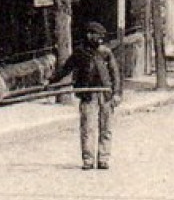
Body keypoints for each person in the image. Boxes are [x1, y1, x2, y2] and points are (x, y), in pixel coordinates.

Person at [52, 21, 123, 170]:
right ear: (89, 35)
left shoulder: (105, 52)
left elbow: (115, 74)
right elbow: (66, 69)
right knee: (88, 128)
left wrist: (117, 93)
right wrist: (50, 81)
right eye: (97, 35)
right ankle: (88, 160)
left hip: (106, 94)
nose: (100, 39)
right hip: (88, 95)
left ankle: (103, 158)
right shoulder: (80, 53)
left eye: (101, 36)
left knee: (106, 128)